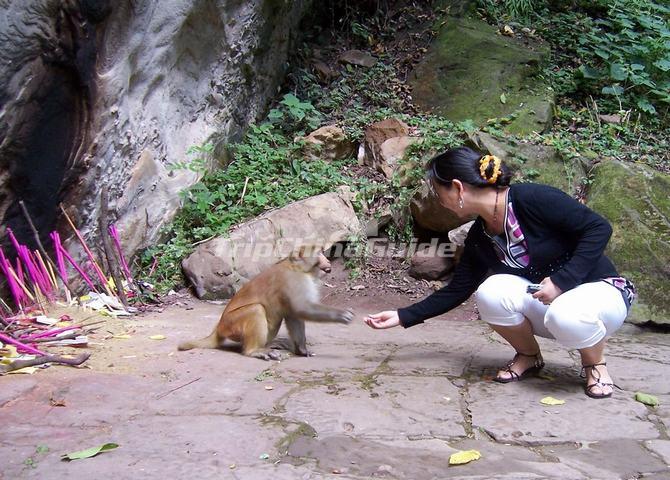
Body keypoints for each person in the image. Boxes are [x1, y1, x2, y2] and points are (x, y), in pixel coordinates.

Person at [364, 147, 636, 399]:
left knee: (567, 313)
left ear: (457, 188)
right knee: (490, 292)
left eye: (438, 192)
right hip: (550, 305)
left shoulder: (533, 199)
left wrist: (562, 281)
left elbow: (598, 228)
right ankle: (528, 356)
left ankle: (594, 364)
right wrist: (402, 316)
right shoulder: (480, 235)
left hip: (601, 294)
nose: (438, 200)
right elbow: (458, 289)